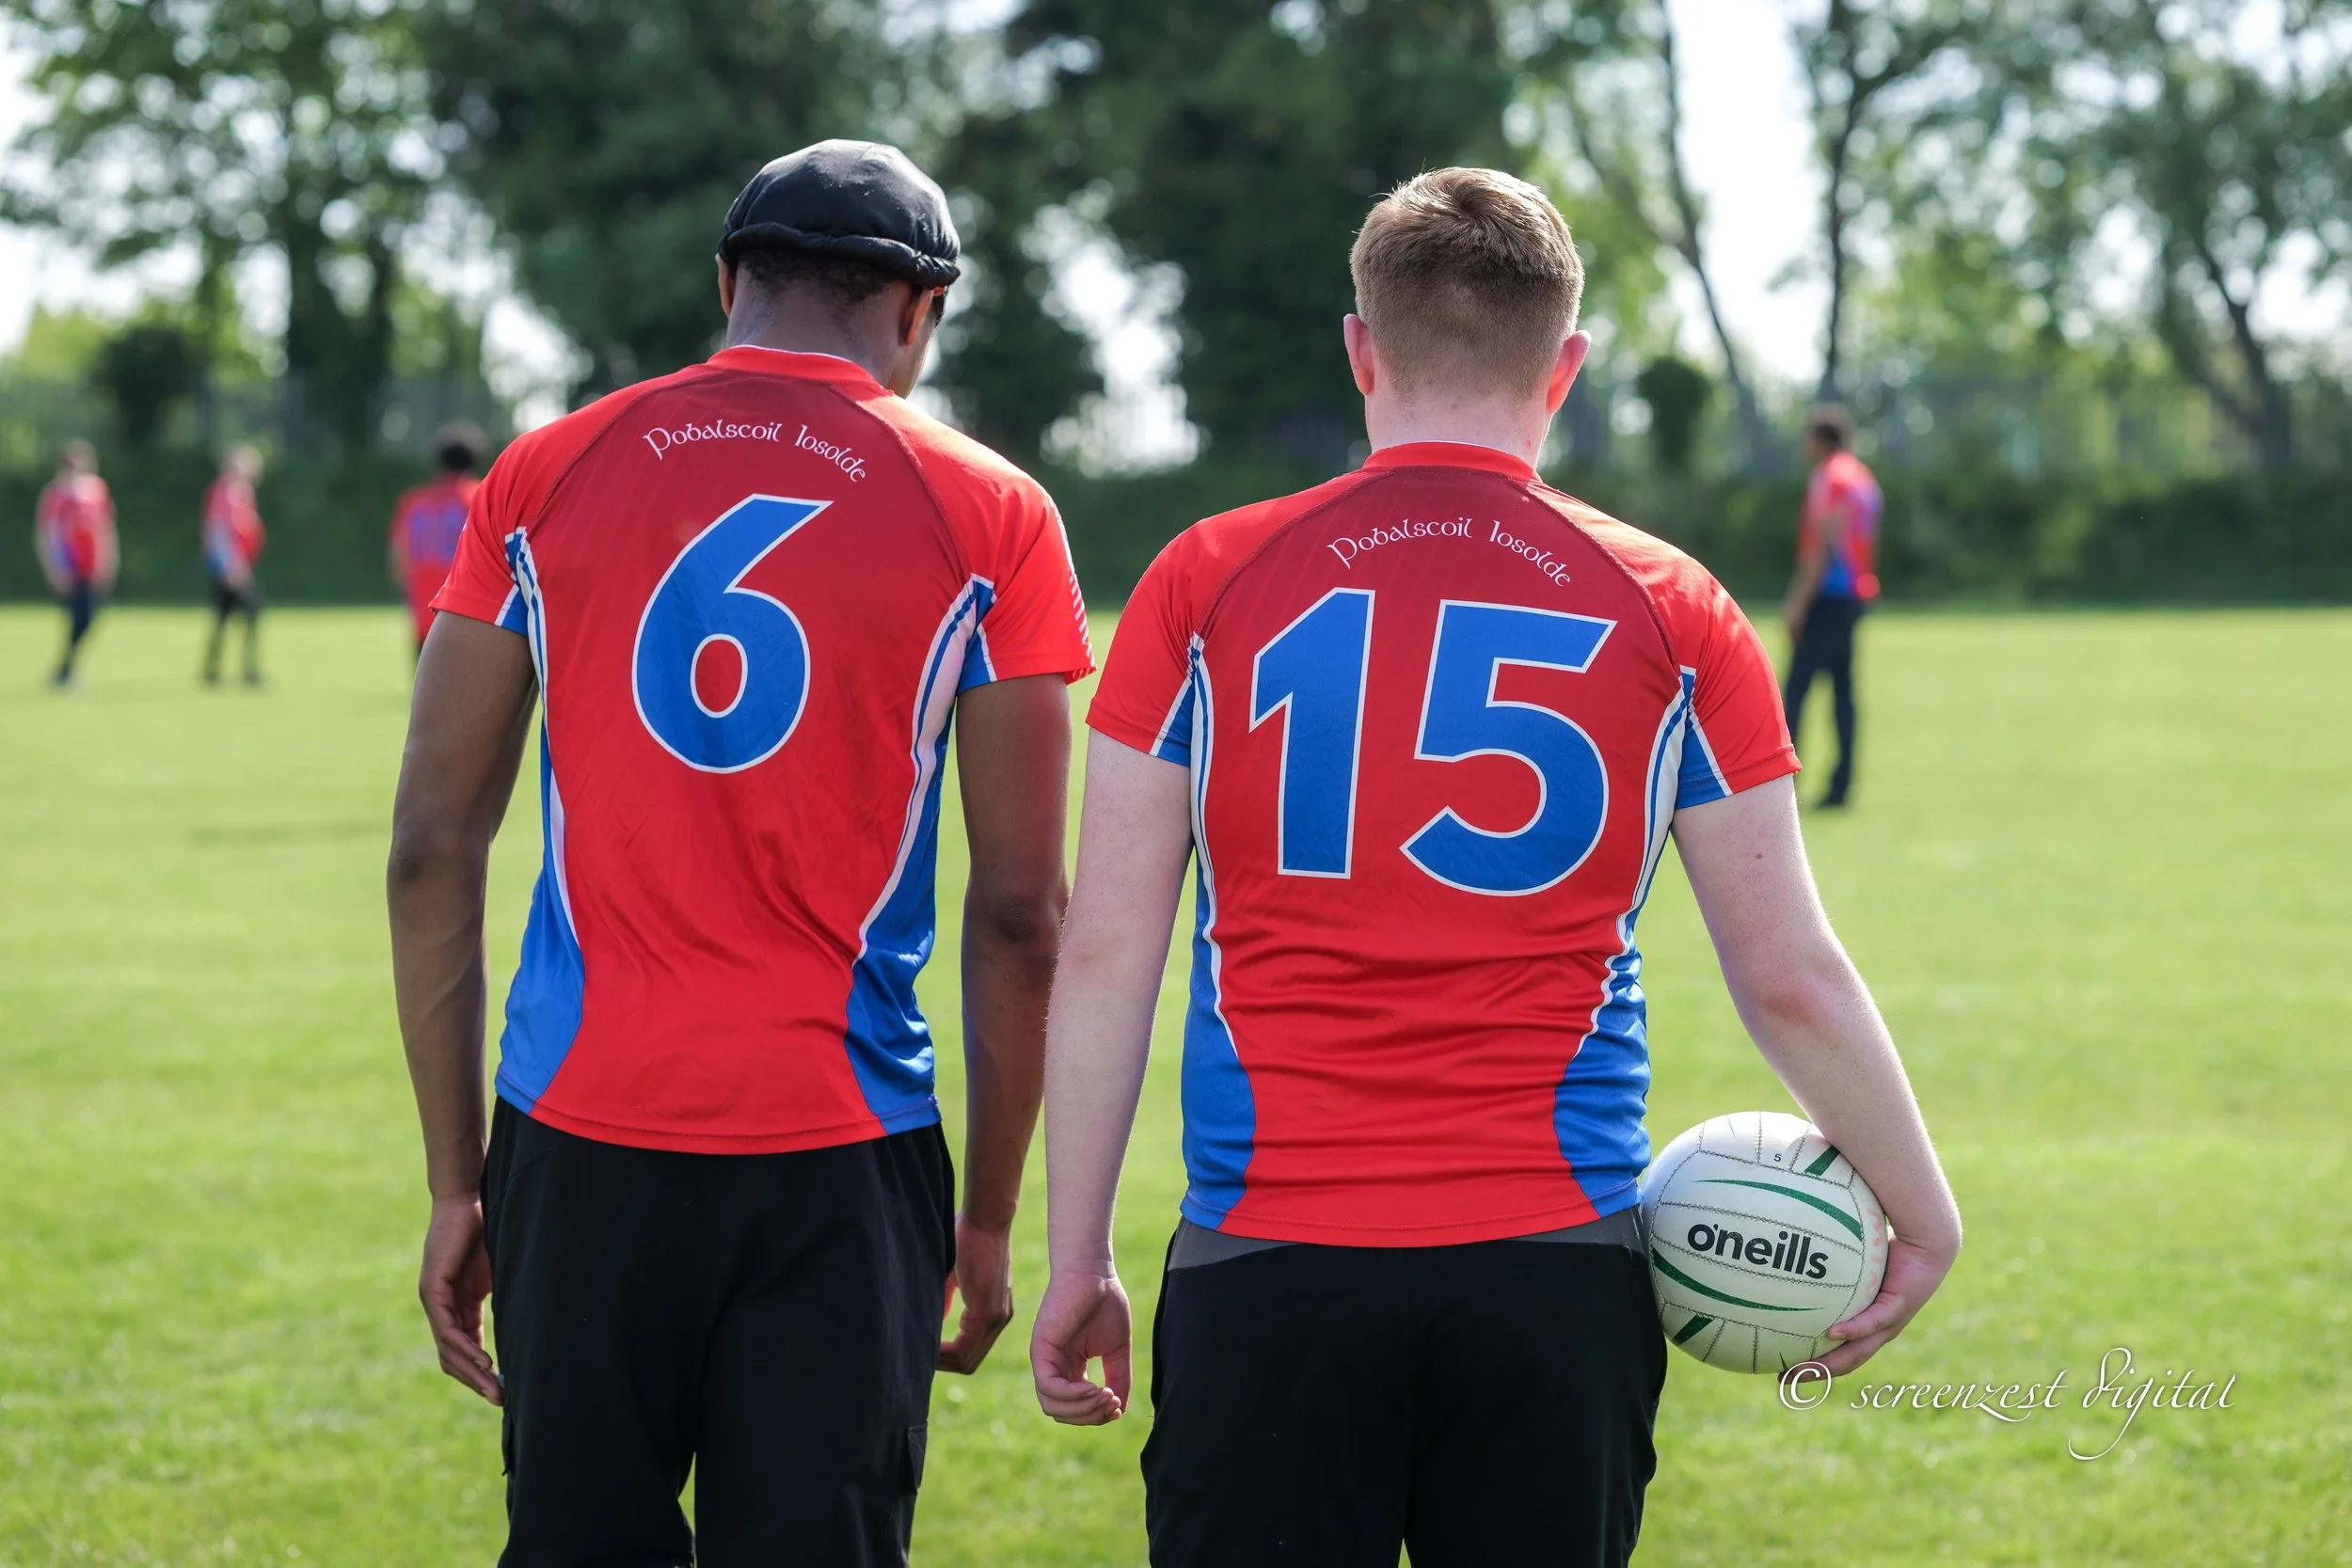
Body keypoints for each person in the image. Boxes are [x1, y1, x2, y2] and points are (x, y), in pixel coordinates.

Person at [1029, 168, 1961, 1568]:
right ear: (1566, 365)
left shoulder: (1203, 578)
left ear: (1361, 348)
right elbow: (1787, 974)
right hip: (1555, 1273)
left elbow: (1106, 947)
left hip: (1269, 1262)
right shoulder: (1677, 606)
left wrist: (1078, 1253)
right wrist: (1922, 1208)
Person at [387, 138, 1093, 1567]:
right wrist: (993, 1214)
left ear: (727, 285)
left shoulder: (542, 469)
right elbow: (1021, 909)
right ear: (920, 311)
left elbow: (429, 844)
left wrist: (461, 1180)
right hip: (840, 1150)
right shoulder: (995, 509)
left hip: (578, 1139)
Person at [1779, 404, 1882, 808]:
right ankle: (1842, 785)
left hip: (1825, 597)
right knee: (1843, 693)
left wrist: (1797, 604)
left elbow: (1823, 544)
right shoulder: (1863, 479)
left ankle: (1781, 784)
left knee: (1796, 691)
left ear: (1821, 440)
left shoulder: (1830, 479)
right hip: (1854, 595)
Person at [387, 422, 486, 656]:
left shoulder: (413, 501)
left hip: (424, 604)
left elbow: (398, 557)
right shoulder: (480, 497)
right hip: (469, 608)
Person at [33, 438, 118, 689]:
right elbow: (49, 534)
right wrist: (56, 569)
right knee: (79, 616)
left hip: (93, 566)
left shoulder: (97, 490)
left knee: (89, 617)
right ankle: (66, 670)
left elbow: (105, 528)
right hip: (70, 566)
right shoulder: (56, 494)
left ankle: (65, 668)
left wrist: (109, 560)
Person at [200, 444, 267, 687]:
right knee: (249, 612)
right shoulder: (224, 492)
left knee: (225, 616)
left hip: (240, 564)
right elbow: (217, 531)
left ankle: (214, 670)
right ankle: (246, 671)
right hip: (230, 567)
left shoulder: (243, 493)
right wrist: (229, 566)